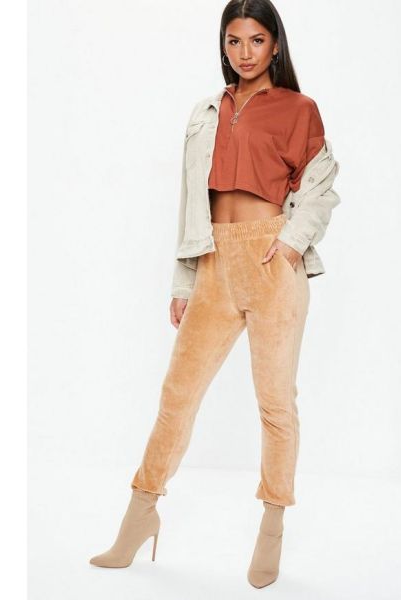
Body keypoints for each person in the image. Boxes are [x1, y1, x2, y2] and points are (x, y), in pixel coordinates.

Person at [89, 0, 341, 589]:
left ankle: (272, 526)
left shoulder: (298, 108)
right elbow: (190, 201)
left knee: (275, 403)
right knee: (177, 395)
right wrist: (185, 280)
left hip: (270, 259)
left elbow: (321, 187)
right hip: (212, 262)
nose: (245, 53)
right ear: (223, 45)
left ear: (275, 44)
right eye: (234, 40)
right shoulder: (207, 111)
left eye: (256, 40)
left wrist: (289, 245)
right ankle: (141, 513)